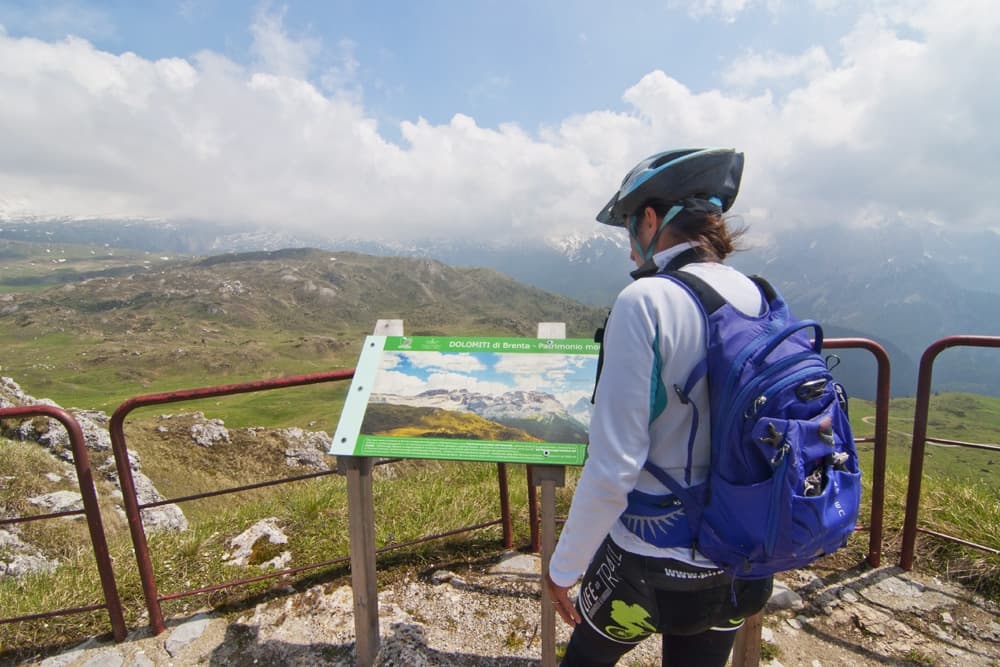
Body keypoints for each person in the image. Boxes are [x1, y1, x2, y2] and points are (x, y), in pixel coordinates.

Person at [546, 148, 774, 666]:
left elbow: (613, 468)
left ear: (652, 219)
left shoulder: (644, 301)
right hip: (741, 559)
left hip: (650, 564)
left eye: (629, 225)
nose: (630, 250)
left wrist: (563, 568)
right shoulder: (758, 295)